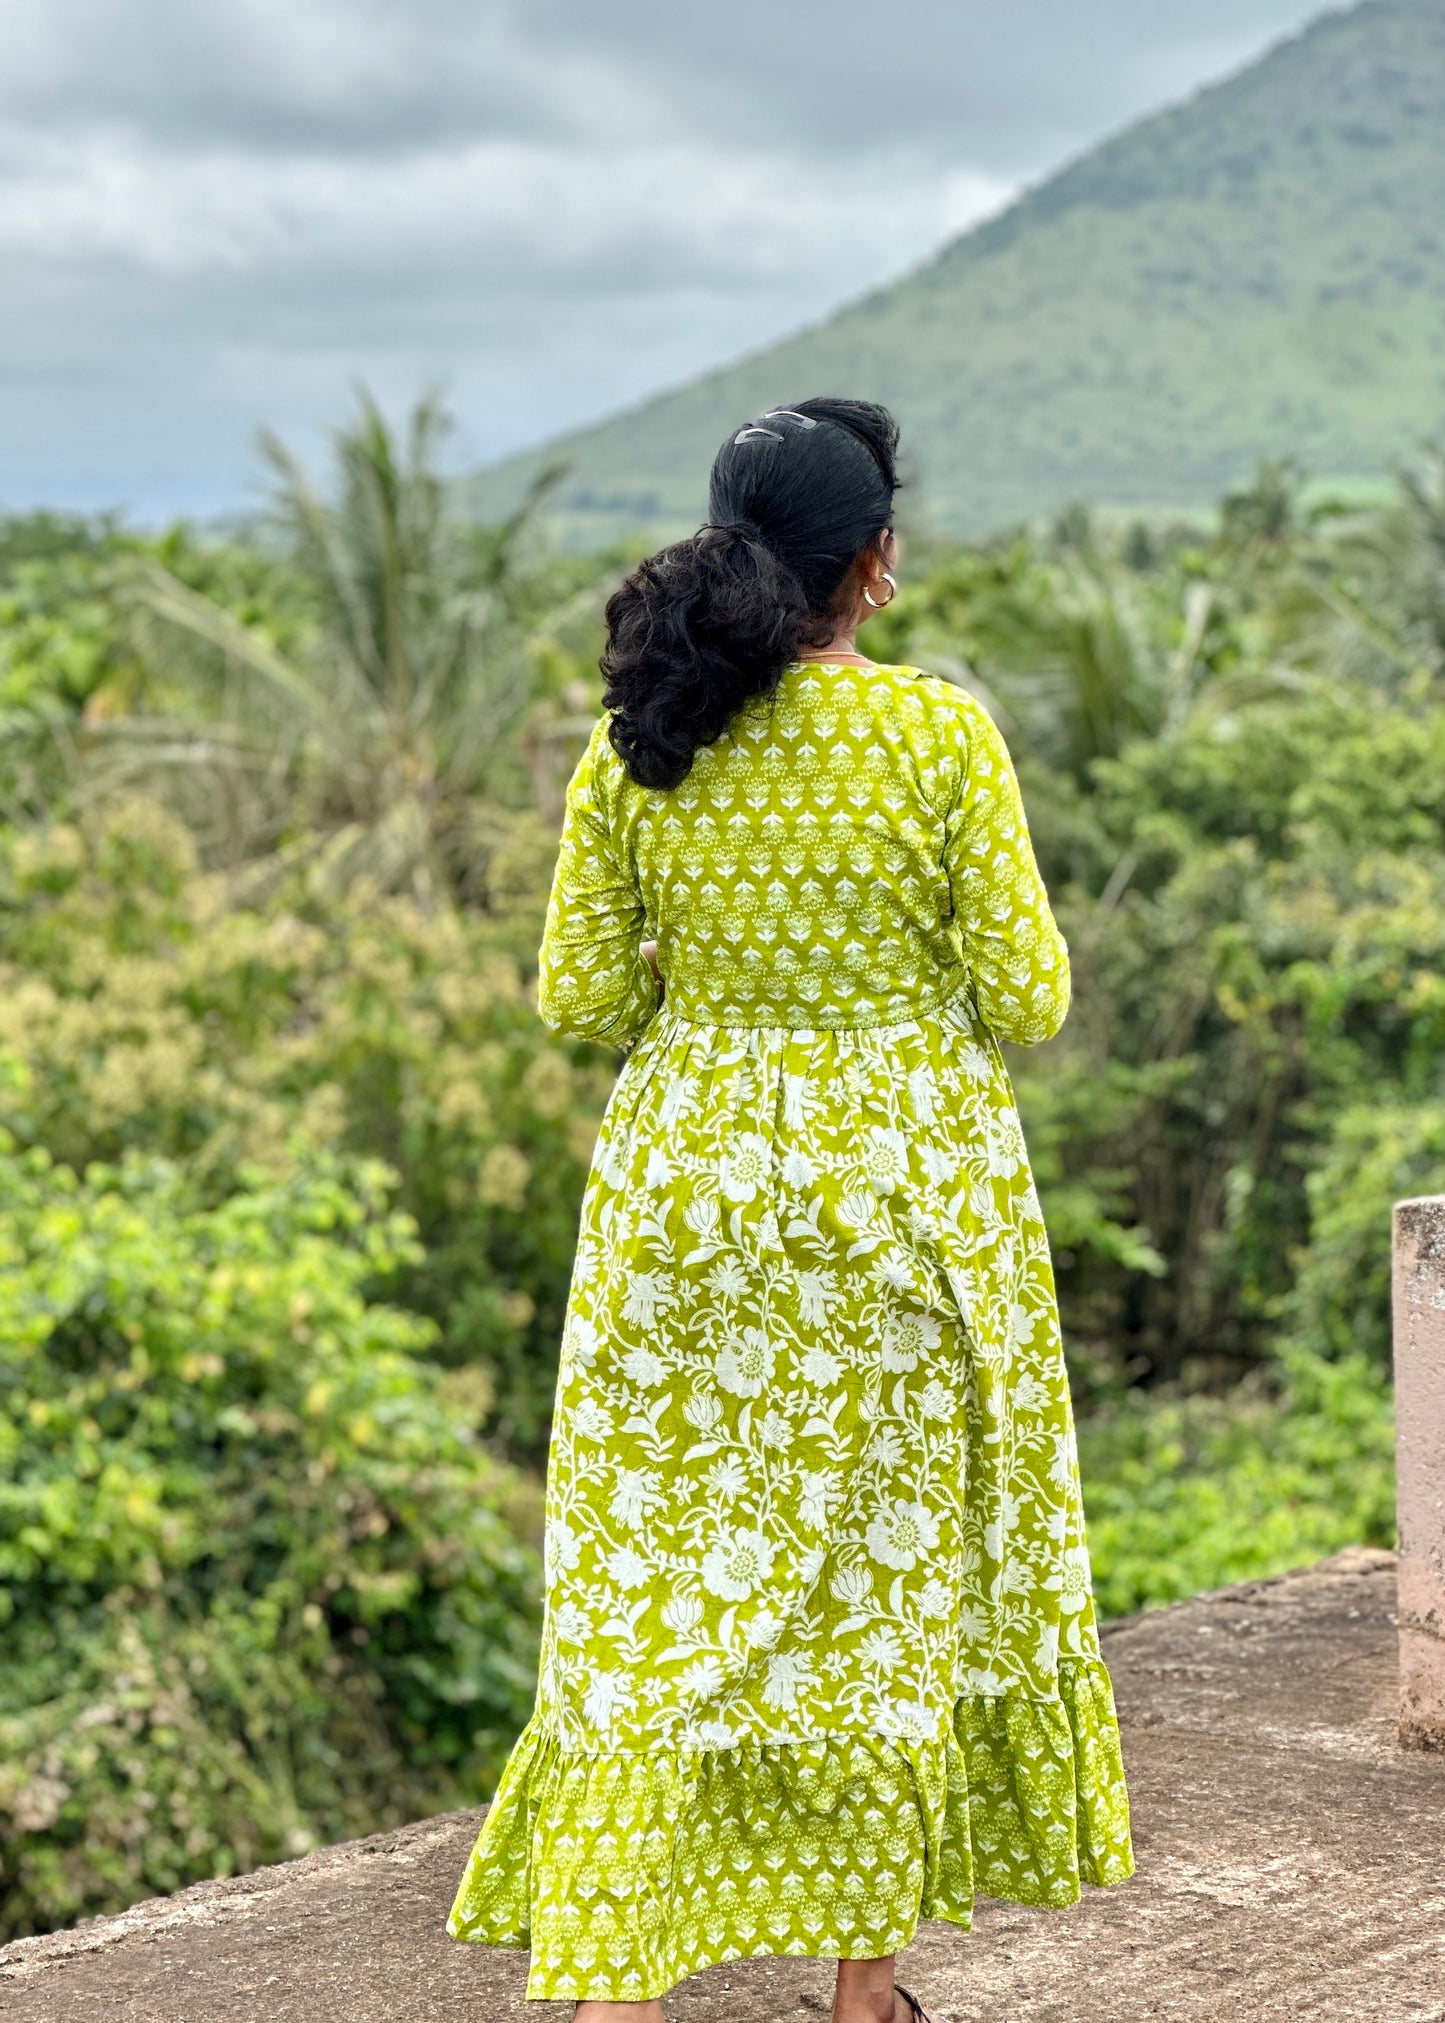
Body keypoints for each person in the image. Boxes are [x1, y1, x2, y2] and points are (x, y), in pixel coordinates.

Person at [449, 398, 1133, 2022]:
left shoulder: (645, 740)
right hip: (903, 1204)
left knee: (655, 1583)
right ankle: (861, 1992)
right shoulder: (938, 738)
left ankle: (615, 1979)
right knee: (886, 1584)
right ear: (873, 565)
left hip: (687, 1202)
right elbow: (1028, 999)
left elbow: (583, 992)